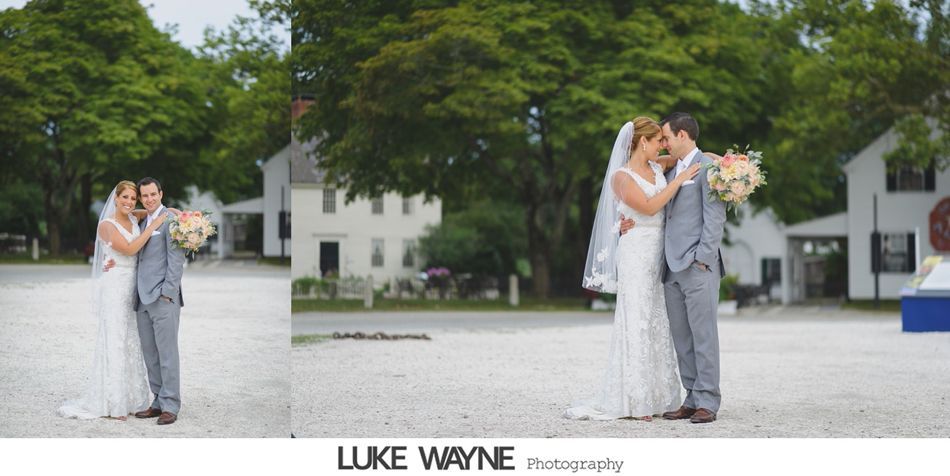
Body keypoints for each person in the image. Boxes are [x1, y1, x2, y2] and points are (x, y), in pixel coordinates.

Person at [566, 117, 699, 421]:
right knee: (636, 319)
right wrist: (678, 181)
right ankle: (635, 401)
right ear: (643, 142)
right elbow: (650, 207)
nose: (662, 146)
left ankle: (660, 396)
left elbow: (691, 157)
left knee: (658, 321)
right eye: (657, 141)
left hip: (659, 254)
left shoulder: (657, 166)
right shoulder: (621, 178)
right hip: (636, 253)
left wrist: (729, 163)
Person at [58, 180, 166, 420]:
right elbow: (129, 250)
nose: (129, 202)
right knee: (115, 340)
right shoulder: (106, 226)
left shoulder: (133, 218)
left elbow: (146, 211)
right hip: (115, 287)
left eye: (132, 198)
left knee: (130, 340)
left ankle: (132, 400)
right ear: (115, 199)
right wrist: (154, 225)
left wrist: (171, 213)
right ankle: (113, 403)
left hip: (132, 288)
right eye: (124, 197)